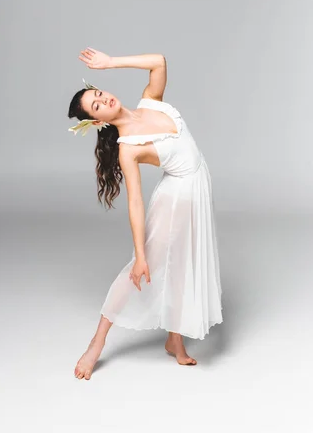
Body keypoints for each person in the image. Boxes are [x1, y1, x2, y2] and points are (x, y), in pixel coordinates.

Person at [68, 48, 223, 380]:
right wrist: (140, 254)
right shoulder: (129, 147)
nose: (104, 99)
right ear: (98, 122)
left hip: (197, 189)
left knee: (182, 264)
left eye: (99, 93)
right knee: (143, 268)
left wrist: (111, 62)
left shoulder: (150, 101)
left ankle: (174, 340)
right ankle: (96, 344)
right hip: (176, 199)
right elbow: (135, 203)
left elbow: (160, 61)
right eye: (97, 106)